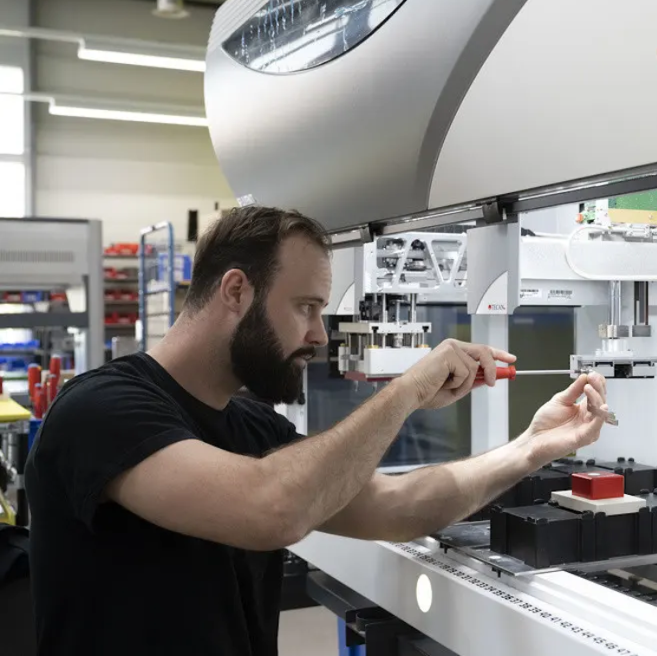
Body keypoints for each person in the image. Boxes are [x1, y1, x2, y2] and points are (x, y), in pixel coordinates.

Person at [24, 206, 609, 656]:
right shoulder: (102, 409)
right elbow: (269, 509)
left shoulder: (253, 427)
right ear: (236, 291)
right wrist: (404, 391)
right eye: (305, 307)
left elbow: (398, 504)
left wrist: (533, 445)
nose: (320, 336)